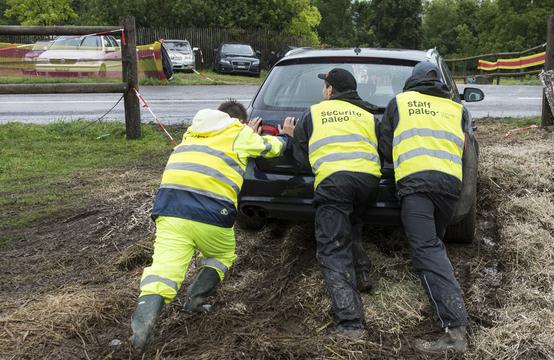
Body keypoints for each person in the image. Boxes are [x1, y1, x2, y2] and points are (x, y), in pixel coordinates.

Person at [130, 101, 295, 351]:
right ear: (239, 121)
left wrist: (243, 131)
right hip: (211, 212)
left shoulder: (192, 131)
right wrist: (285, 135)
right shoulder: (239, 133)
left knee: (163, 271)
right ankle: (195, 302)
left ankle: (140, 332)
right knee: (221, 255)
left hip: (171, 209)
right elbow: (272, 148)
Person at [379, 61, 469, 353]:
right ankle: (446, 304)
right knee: (433, 244)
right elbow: (465, 148)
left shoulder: (400, 103)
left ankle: (455, 332)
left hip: (416, 186)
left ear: (412, 81)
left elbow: (384, 145)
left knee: (426, 250)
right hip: (449, 186)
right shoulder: (457, 108)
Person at [292, 68, 381, 338]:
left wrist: (290, 135)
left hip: (333, 182)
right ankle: (362, 274)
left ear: (330, 90)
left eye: (325, 87)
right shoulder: (369, 115)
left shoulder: (314, 113)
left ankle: (351, 323)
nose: (323, 91)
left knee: (333, 249)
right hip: (369, 183)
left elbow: (300, 159)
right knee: (353, 222)